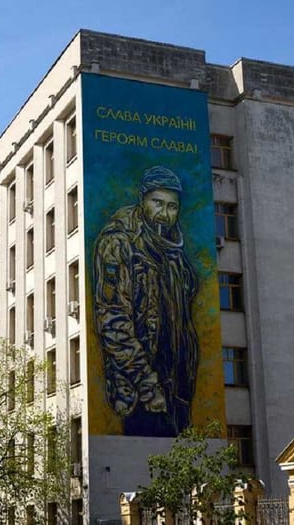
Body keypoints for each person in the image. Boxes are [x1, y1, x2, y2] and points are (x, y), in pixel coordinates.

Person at [93, 165, 199, 437]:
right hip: (141, 390)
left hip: (177, 388)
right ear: (142, 200)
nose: (164, 213)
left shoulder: (172, 249)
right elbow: (112, 321)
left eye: (172, 206)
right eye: (157, 203)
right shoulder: (119, 242)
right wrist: (147, 384)